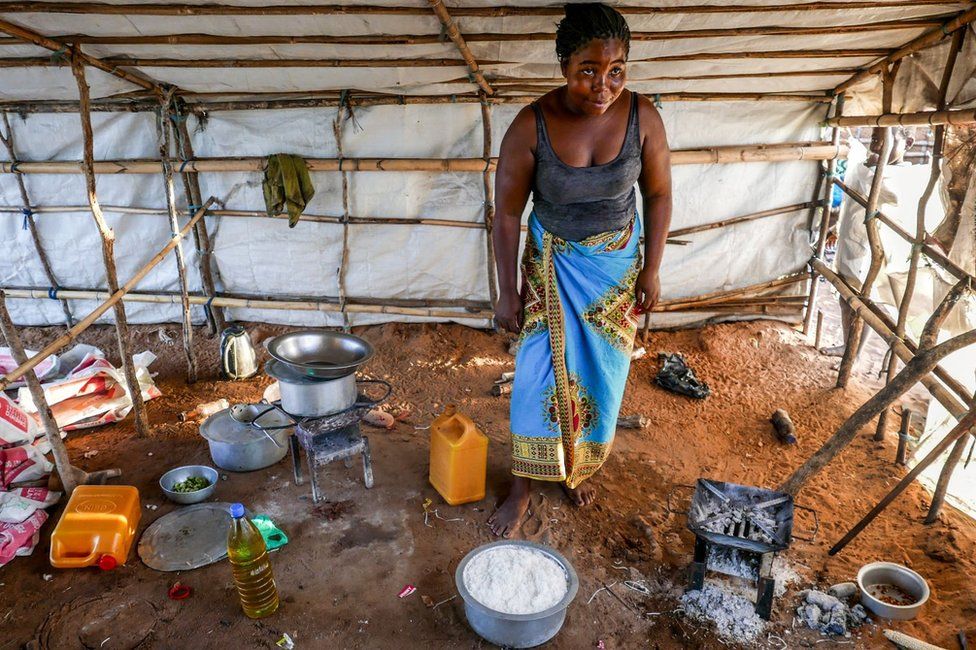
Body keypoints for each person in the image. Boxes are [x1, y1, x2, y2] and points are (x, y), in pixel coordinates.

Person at [488, 3, 672, 537]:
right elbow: (505, 214)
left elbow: (658, 196)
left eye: (616, 70)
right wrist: (507, 291)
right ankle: (522, 487)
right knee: (535, 380)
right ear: (565, 65)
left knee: (597, 379)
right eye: (588, 69)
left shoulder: (644, 117)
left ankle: (574, 469)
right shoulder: (532, 124)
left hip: (614, 272)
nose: (602, 85)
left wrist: (652, 270)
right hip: (551, 268)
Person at [823, 126, 915, 359]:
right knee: (847, 298)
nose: (875, 147)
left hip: (871, 252)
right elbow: (855, 204)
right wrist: (836, 227)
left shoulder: (900, 178)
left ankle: (853, 353)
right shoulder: (866, 167)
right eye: (874, 139)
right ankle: (848, 346)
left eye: (883, 140)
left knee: (862, 302)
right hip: (852, 243)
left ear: (909, 143)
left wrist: (877, 171)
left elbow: (894, 202)